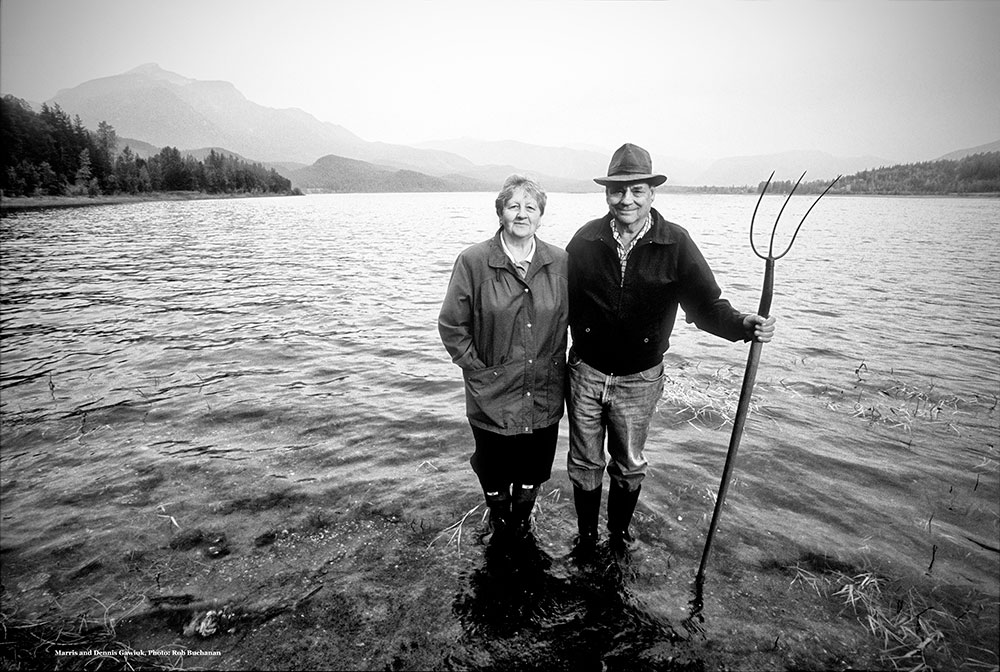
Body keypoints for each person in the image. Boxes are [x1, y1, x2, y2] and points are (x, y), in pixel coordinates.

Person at [566, 143, 775, 554]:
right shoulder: (585, 240)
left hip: (640, 378)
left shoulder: (675, 243)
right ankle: (587, 539)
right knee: (585, 463)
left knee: (628, 465)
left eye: (636, 191)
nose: (626, 200)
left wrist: (742, 325)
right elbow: (559, 304)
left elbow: (706, 307)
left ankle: (619, 538)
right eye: (618, 191)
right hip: (586, 372)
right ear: (606, 193)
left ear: (652, 194)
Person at [439, 175, 568, 545]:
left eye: (531, 207)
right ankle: (500, 524)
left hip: (543, 390)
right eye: (514, 206)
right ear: (500, 213)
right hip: (491, 394)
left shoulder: (560, 262)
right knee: (493, 470)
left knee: (532, 470)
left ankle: (521, 526)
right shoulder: (473, 261)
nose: (522, 214)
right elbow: (451, 324)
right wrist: (478, 369)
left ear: (541, 215)